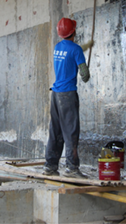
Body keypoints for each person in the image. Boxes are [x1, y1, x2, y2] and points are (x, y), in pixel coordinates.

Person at [43, 17, 93, 178]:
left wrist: (86, 47)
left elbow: (70, 53)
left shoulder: (58, 47)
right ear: (74, 32)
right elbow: (85, 76)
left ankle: (50, 166)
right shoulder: (76, 50)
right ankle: (72, 168)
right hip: (68, 96)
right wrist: (86, 70)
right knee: (71, 132)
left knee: (55, 131)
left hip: (56, 95)